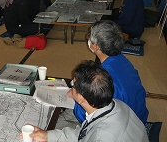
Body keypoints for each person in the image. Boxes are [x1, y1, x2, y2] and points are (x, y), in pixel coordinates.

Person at [21, 60, 149, 142]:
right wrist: (48, 136)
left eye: (73, 84)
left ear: (81, 98)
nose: (71, 87)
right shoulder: (115, 104)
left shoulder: (102, 136)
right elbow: (84, 133)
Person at [72, 20, 148, 124]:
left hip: (125, 125)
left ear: (96, 47)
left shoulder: (103, 78)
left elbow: (90, 117)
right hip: (138, 115)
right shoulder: (123, 60)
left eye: (90, 37)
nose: (88, 39)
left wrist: (76, 98)